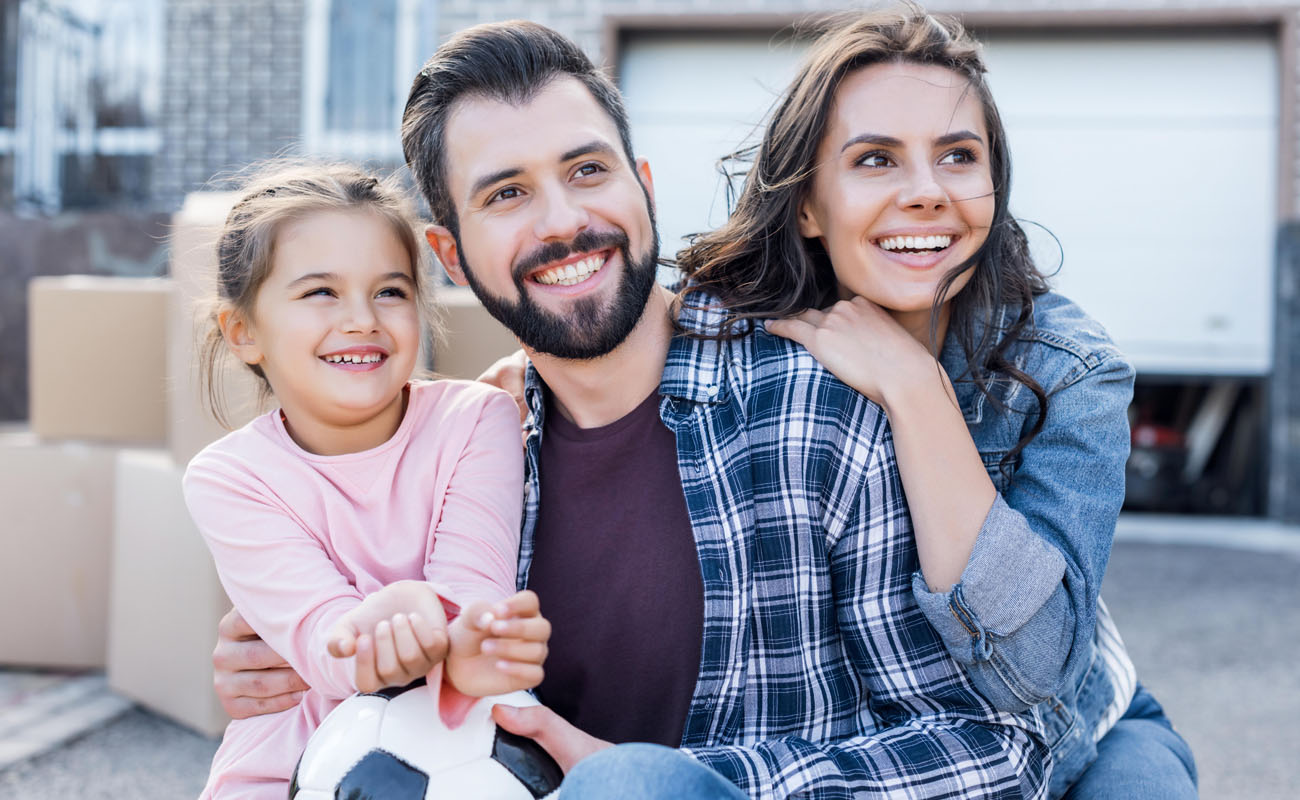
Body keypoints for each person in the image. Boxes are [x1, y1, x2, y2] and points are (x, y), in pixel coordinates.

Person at [208, 20, 1049, 799]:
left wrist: (674, 784)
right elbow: (346, 624)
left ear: (642, 187)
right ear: (451, 257)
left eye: (587, 171)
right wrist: (292, 659)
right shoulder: (470, 450)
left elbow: (993, 742)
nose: (565, 221)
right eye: (506, 195)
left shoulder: (812, 413)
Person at [677, 9, 1197, 799]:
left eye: (958, 156)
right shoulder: (751, 340)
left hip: (1074, 725)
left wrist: (916, 390)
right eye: (876, 159)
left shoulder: (1069, 371)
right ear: (809, 205)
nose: (927, 194)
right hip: (889, 754)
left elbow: (1038, 668)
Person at [184, 162, 550, 799]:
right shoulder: (230, 478)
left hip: (461, 754)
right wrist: (394, 623)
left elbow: (472, 591)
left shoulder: (477, 420)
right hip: (284, 767)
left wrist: (449, 623)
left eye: (390, 291)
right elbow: (325, 643)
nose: (362, 319)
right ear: (243, 332)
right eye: (320, 292)